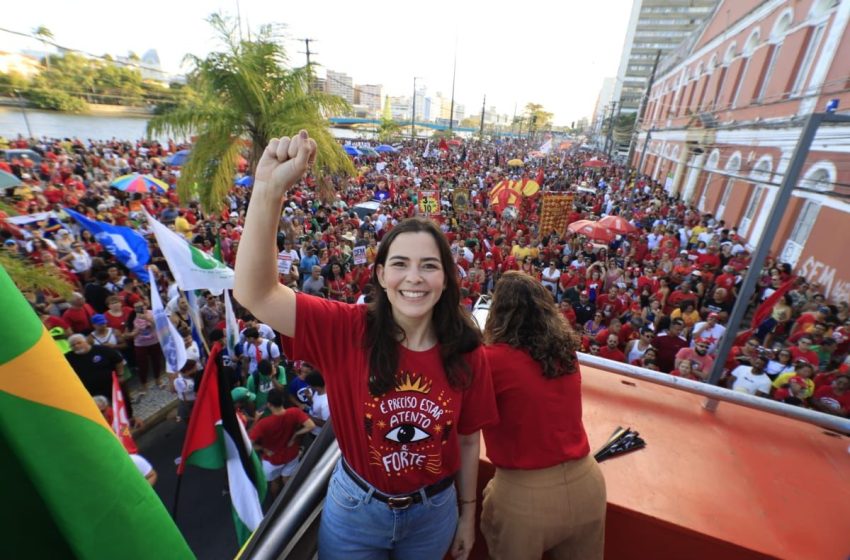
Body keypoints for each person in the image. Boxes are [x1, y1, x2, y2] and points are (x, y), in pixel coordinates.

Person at [234, 131, 497, 560]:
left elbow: (469, 442)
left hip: (434, 512)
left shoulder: (468, 351)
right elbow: (255, 293)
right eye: (400, 264)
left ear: (446, 279)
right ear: (380, 275)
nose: (414, 278)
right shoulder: (345, 329)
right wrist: (267, 191)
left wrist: (467, 513)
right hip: (356, 509)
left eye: (429, 266)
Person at [480, 272, 606, 559]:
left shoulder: (491, 360)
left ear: (498, 312)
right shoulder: (566, 352)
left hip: (525, 497)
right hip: (588, 484)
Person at [249, 388, 315, 498]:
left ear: (269, 404)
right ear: (282, 401)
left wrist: (263, 448)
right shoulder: (295, 412)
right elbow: (311, 425)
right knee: (287, 479)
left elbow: (249, 443)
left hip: (272, 459)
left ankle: (276, 501)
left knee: (275, 482)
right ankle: (291, 500)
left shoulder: (262, 424)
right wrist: (295, 435)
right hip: (291, 454)